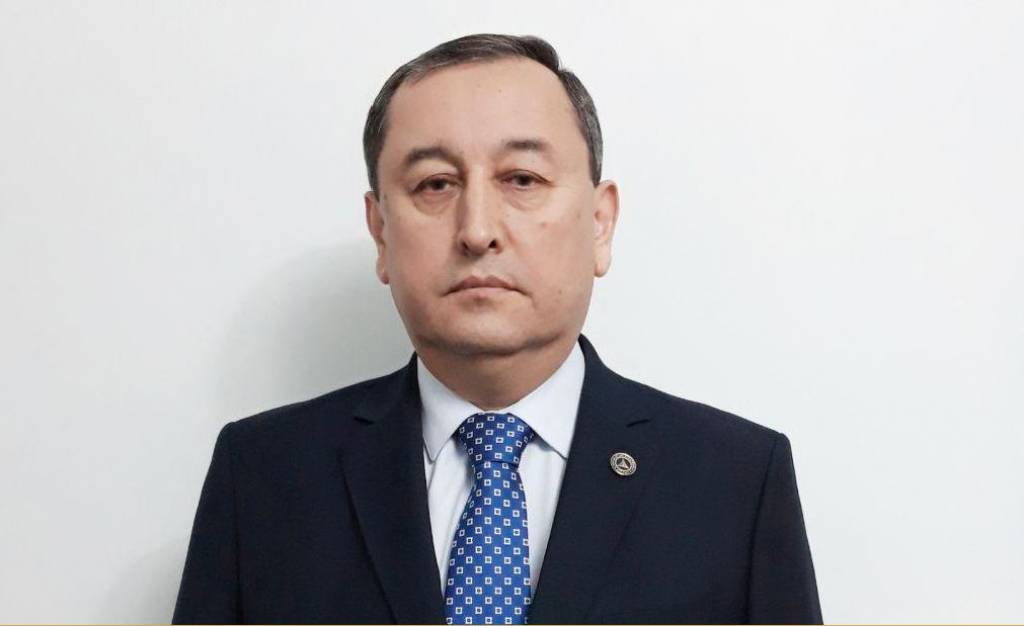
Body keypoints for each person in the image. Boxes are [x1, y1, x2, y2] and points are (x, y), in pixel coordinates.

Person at [172, 33, 823, 625]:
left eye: (522, 179)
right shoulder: (262, 475)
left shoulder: (736, 481)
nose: (477, 229)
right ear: (381, 232)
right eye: (434, 184)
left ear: (600, 223)